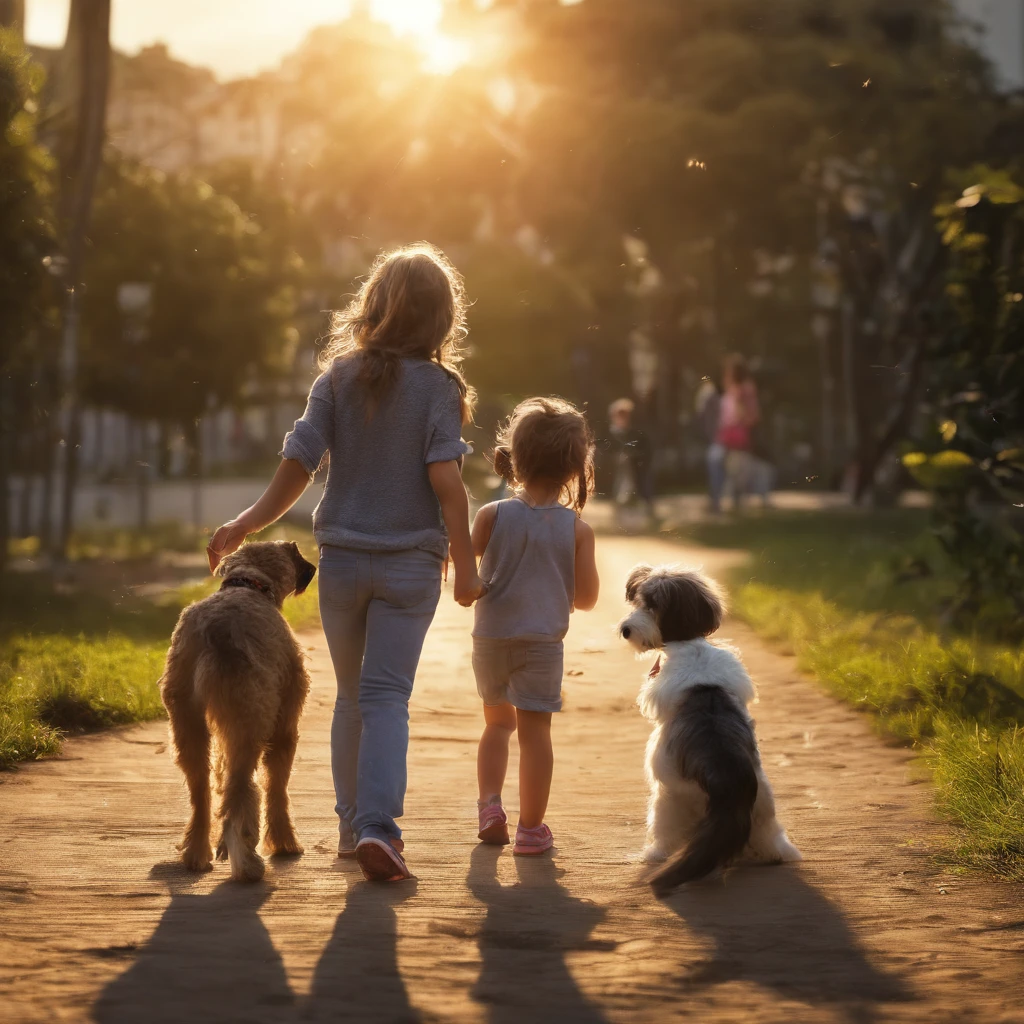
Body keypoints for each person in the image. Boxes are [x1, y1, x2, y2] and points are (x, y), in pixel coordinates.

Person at [206, 243, 485, 883]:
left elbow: (298, 466)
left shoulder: (337, 378)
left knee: (352, 699)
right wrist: (465, 565)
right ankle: (378, 832)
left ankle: (347, 827)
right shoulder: (441, 388)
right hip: (411, 564)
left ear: (375, 306)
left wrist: (244, 524)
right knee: (388, 697)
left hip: (344, 563)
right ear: (443, 319)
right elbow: (447, 481)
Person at [471, 398, 600, 855]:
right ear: (573, 468)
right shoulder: (576, 530)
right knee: (535, 734)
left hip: (490, 642)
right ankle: (530, 830)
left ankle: (489, 807)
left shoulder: (491, 515)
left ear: (515, 458)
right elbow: (586, 599)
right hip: (543, 645)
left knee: (497, 726)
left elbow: (466, 576)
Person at [716, 354, 760, 510]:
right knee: (735, 469)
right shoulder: (738, 388)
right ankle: (737, 499)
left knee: (736, 469)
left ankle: (738, 500)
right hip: (734, 435)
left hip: (736, 435)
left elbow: (746, 414)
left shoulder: (741, 390)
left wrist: (740, 420)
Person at [607, 398, 655, 519]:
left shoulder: (637, 434)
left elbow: (645, 452)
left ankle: (646, 509)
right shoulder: (610, 435)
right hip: (618, 471)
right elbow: (605, 453)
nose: (623, 419)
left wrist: (632, 456)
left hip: (635, 469)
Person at [694, 377, 724, 512]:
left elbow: (701, 414)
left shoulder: (707, 394)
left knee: (715, 468)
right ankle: (714, 500)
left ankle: (715, 501)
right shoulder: (714, 396)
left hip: (716, 438)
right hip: (716, 437)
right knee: (715, 468)